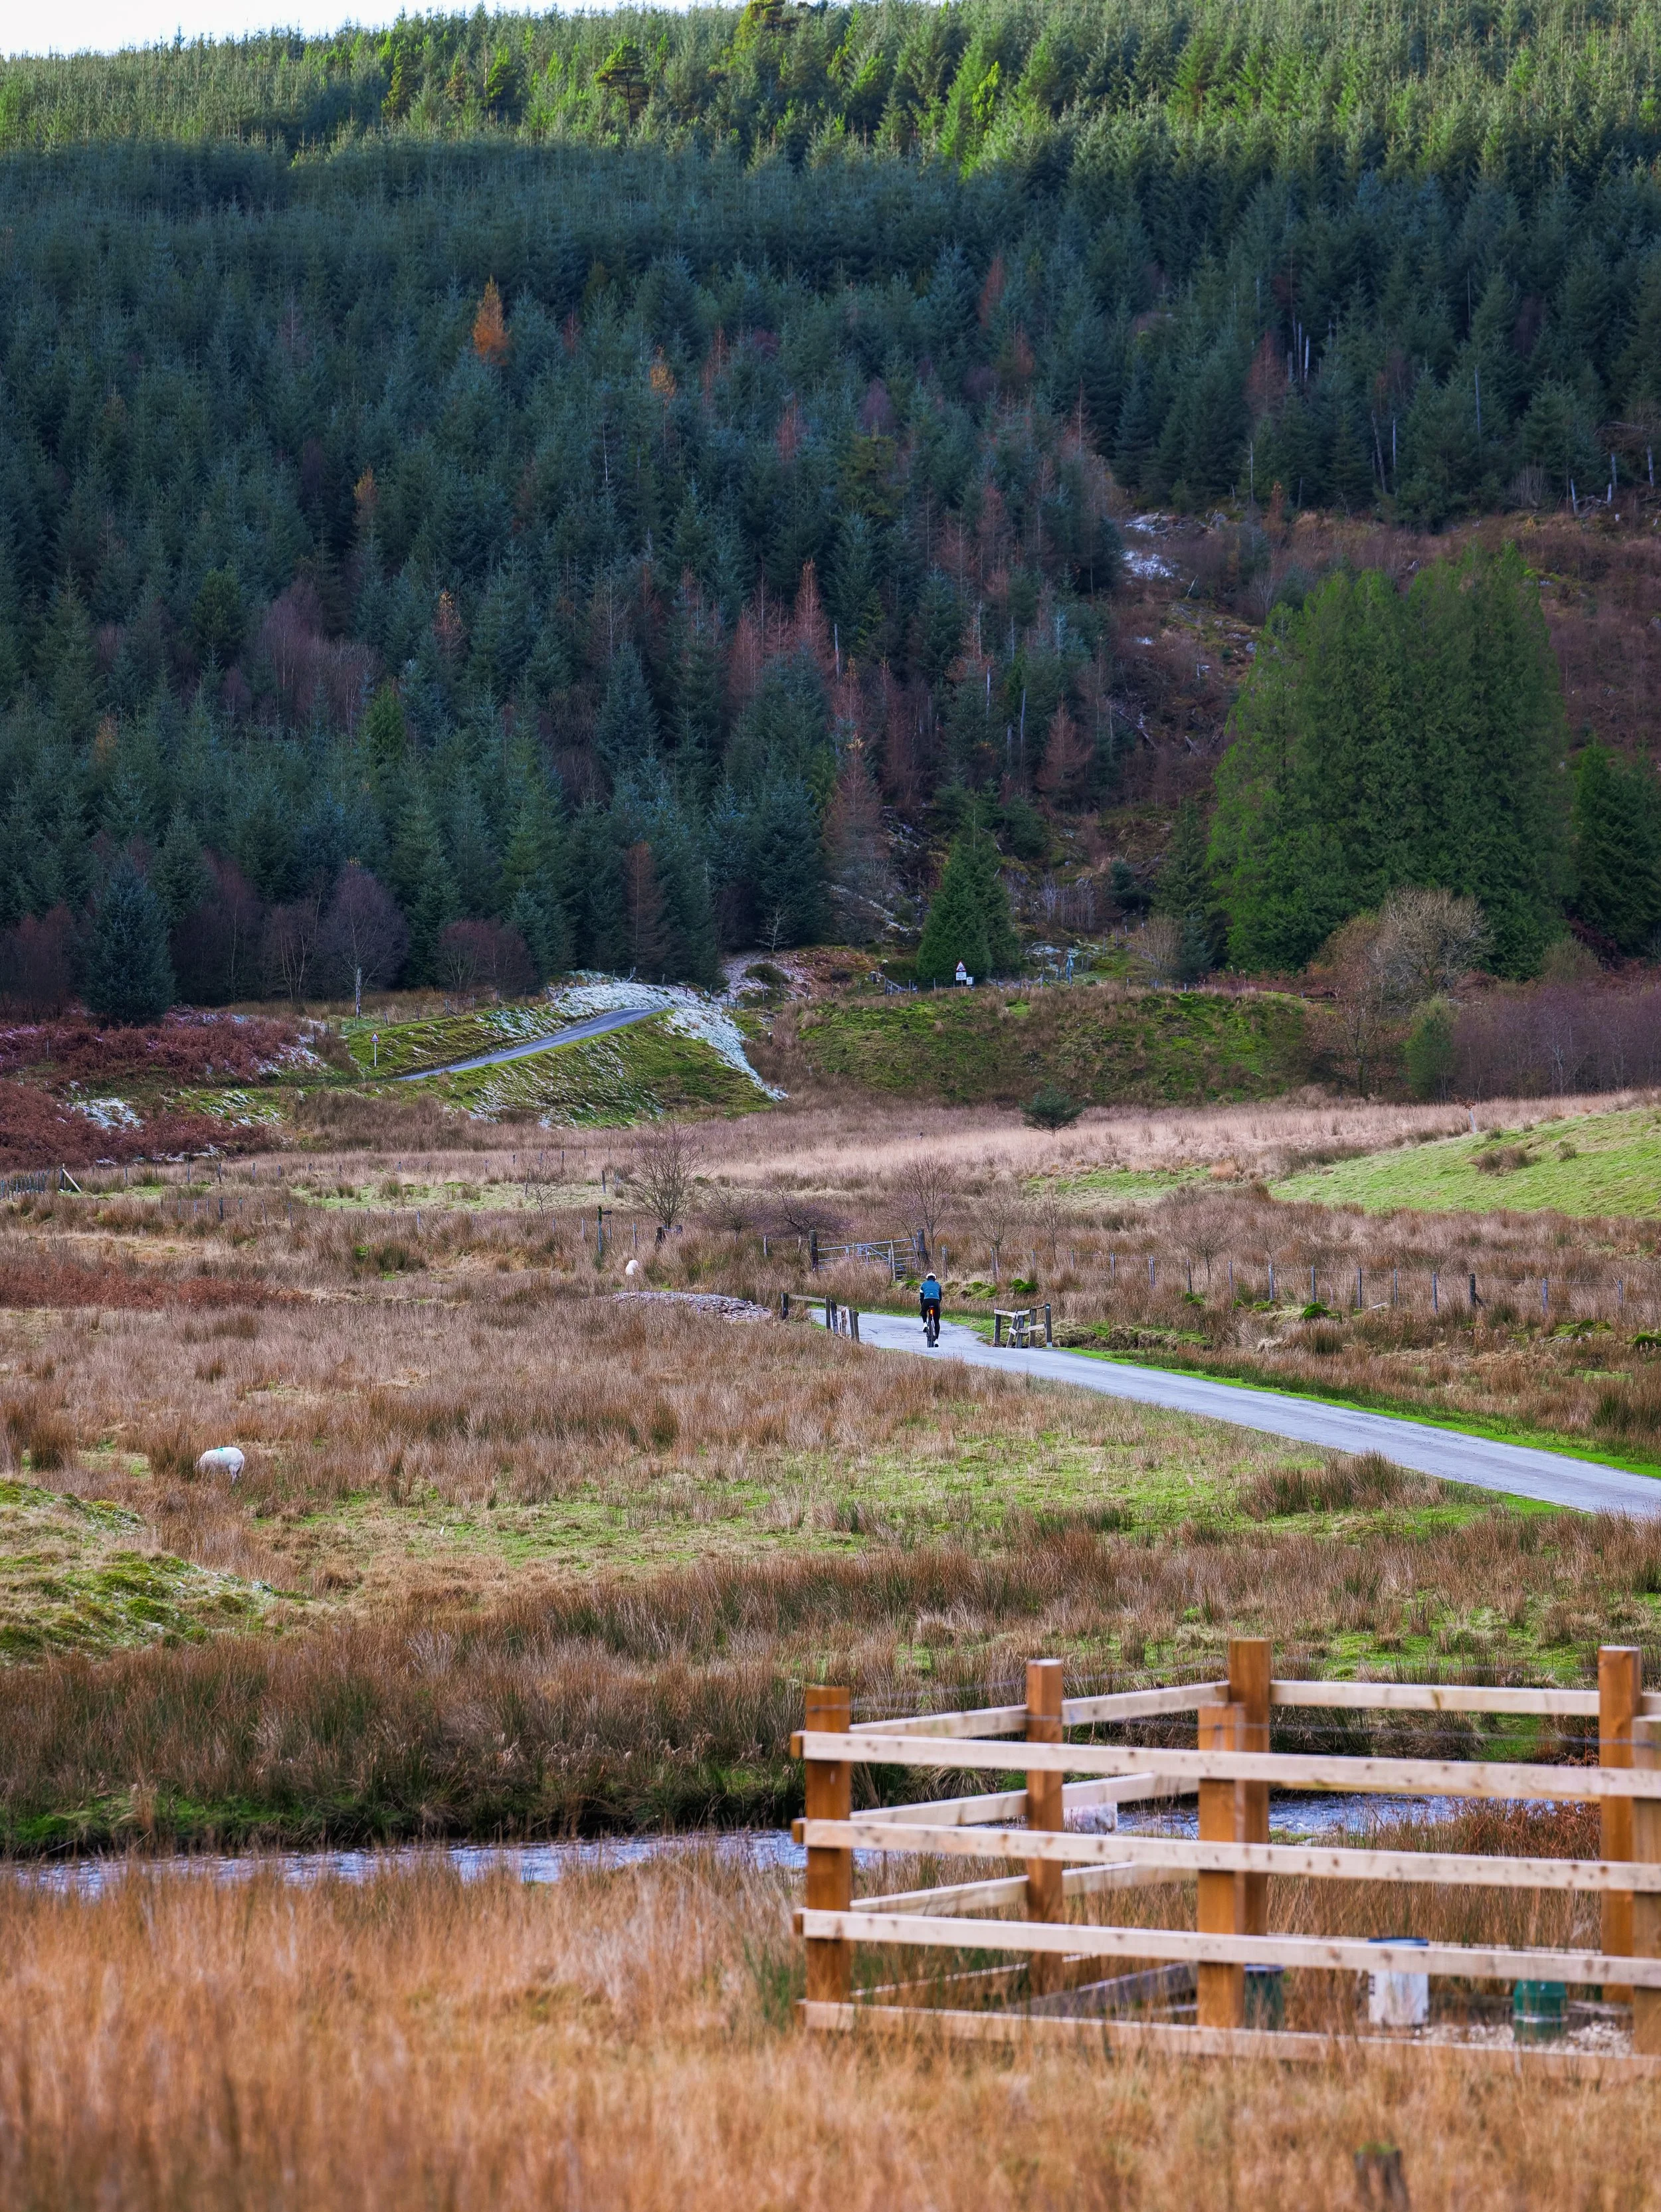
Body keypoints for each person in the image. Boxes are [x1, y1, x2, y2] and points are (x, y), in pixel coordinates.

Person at [919, 1269, 942, 1346]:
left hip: (927, 1301)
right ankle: (936, 1340)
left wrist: (923, 1307)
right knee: (936, 1322)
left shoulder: (923, 1285)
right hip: (936, 1302)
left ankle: (925, 1323)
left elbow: (921, 1297)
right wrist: (938, 1305)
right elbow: (940, 1297)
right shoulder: (938, 1285)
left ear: (927, 1278)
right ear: (935, 1279)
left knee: (923, 1311)